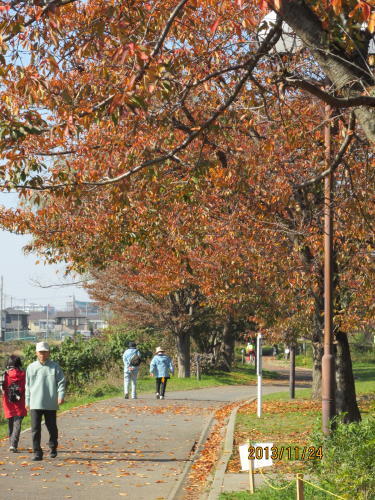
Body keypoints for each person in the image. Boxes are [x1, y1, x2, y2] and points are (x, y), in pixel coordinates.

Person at [25, 341, 65, 461]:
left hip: (50, 402)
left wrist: (61, 395)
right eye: (40, 352)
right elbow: (27, 386)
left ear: (49, 353)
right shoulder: (31, 367)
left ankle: (53, 447)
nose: (42, 354)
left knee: (52, 427)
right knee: (35, 428)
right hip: (35, 402)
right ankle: (37, 452)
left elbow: (61, 382)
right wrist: (27, 401)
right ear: (36, 353)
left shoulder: (55, 367)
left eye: (45, 352)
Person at [1, 355, 27, 452]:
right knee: (17, 424)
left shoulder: (5, 375)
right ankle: (13, 444)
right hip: (20, 403)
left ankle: (11, 444)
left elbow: (2, 389)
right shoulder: (23, 374)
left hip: (8, 403)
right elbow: (26, 388)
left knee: (10, 423)